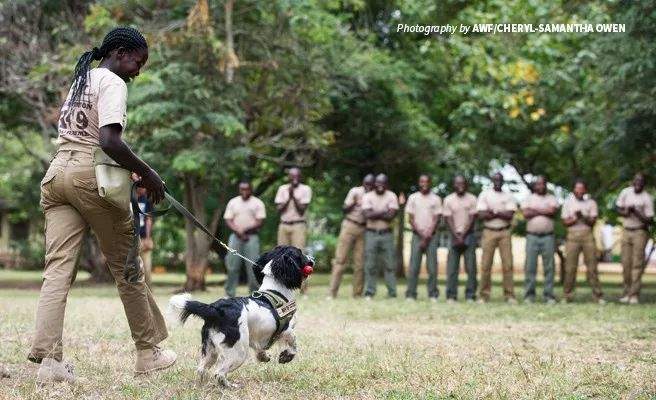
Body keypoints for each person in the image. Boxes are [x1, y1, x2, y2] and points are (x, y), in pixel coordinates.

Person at [28, 27, 175, 384]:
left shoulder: (82, 79)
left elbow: (86, 138)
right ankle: (148, 353)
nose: (138, 71)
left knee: (57, 270)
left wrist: (129, 170)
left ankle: (49, 363)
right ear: (121, 52)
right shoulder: (112, 82)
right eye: (138, 62)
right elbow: (109, 141)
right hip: (88, 174)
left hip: (57, 173)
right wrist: (148, 172)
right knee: (127, 267)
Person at [328, 174, 375, 299]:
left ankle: (357, 294)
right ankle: (332, 293)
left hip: (364, 229)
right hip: (349, 225)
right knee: (340, 260)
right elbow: (344, 209)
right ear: (363, 183)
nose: (368, 187)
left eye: (371, 184)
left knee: (360, 263)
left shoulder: (374, 195)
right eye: (366, 184)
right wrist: (355, 203)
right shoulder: (355, 191)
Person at [561, 180, 604, 304]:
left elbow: (593, 222)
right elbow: (565, 222)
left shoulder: (591, 203)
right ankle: (567, 295)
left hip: (587, 236)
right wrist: (575, 218)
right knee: (570, 268)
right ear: (574, 190)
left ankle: (598, 296)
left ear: (585, 190)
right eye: (577, 188)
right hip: (572, 236)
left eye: (581, 188)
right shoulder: (568, 203)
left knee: (592, 267)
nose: (579, 191)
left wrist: (583, 216)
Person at [477, 172, 517, 303]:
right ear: (492, 181)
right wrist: (500, 212)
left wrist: (493, 211)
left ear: (503, 181)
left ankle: (509, 295)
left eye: (500, 180)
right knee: (486, 265)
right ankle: (483, 295)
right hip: (489, 232)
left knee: (508, 265)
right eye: (495, 180)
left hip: (505, 233)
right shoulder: (485, 195)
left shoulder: (509, 195)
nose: (498, 182)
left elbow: (510, 215)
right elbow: (482, 215)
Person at [223, 180, 266, 297]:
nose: (244, 191)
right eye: (242, 189)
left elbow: (260, 221)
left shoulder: (257, 203)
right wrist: (238, 231)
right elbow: (228, 219)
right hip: (235, 237)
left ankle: (255, 293)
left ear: (251, 189)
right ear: (239, 189)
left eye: (247, 189)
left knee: (253, 266)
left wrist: (245, 230)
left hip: (251, 237)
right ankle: (229, 294)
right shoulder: (233, 202)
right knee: (232, 265)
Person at [616, 173, 654, 304]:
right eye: (636, 180)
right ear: (633, 181)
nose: (638, 183)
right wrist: (626, 212)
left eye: (641, 181)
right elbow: (618, 208)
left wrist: (636, 212)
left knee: (637, 264)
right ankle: (626, 292)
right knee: (625, 263)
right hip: (626, 230)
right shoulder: (625, 192)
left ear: (644, 183)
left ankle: (634, 295)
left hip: (640, 232)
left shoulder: (647, 198)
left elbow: (649, 220)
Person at [521, 176, 558, 304]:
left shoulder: (552, 198)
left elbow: (553, 212)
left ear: (546, 185)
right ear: (534, 186)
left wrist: (534, 210)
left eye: (543, 184)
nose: (540, 186)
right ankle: (529, 295)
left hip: (548, 236)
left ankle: (549, 295)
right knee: (530, 266)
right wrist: (544, 210)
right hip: (532, 236)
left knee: (549, 267)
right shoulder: (528, 198)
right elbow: (526, 214)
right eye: (538, 184)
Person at [275, 167, 312, 293]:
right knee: (281, 256)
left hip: (298, 225)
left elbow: (302, 209)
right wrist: (288, 196)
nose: (294, 178)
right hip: (284, 224)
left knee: (300, 256)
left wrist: (293, 196)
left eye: (297, 176)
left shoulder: (305, 189)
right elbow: (279, 209)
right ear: (289, 177)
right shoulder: (282, 189)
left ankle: (303, 289)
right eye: (292, 176)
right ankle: (282, 287)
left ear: (300, 177)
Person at [405, 175, 441, 301]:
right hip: (417, 236)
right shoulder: (413, 198)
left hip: (432, 237)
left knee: (432, 267)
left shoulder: (436, 199)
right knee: (413, 267)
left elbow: (437, 219)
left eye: (426, 181)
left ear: (430, 183)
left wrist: (427, 236)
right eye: (421, 181)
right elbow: (410, 218)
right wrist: (421, 234)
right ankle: (411, 294)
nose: (424, 183)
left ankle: (433, 294)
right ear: (419, 183)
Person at [362, 174, 399, 299]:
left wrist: (375, 212)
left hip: (387, 234)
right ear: (374, 184)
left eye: (383, 183)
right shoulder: (367, 196)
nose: (380, 185)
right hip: (371, 233)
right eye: (378, 182)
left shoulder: (392, 196)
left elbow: (391, 216)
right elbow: (367, 215)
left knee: (390, 265)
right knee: (370, 264)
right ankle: (370, 292)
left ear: (387, 184)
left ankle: (392, 293)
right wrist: (384, 211)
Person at [443, 175, 478, 303]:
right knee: (452, 268)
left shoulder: (472, 199)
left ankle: (470, 295)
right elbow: (448, 219)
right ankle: (451, 295)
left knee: (471, 268)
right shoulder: (448, 199)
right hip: (454, 236)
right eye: (457, 183)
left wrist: (463, 235)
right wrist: (457, 236)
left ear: (466, 185)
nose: (460, 186)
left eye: (462, 183)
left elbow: (473, 218)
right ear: (454, 185)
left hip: (469, 236)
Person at [136, 184, 155, 287]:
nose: (145, 189)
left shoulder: (147, 200)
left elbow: (149, 219)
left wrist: (148, 238)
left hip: (143, 238)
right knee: (133, 267)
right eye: (143, 186)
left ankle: (148, 290)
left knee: (146, 267)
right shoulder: (129, 198)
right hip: (130, 237)